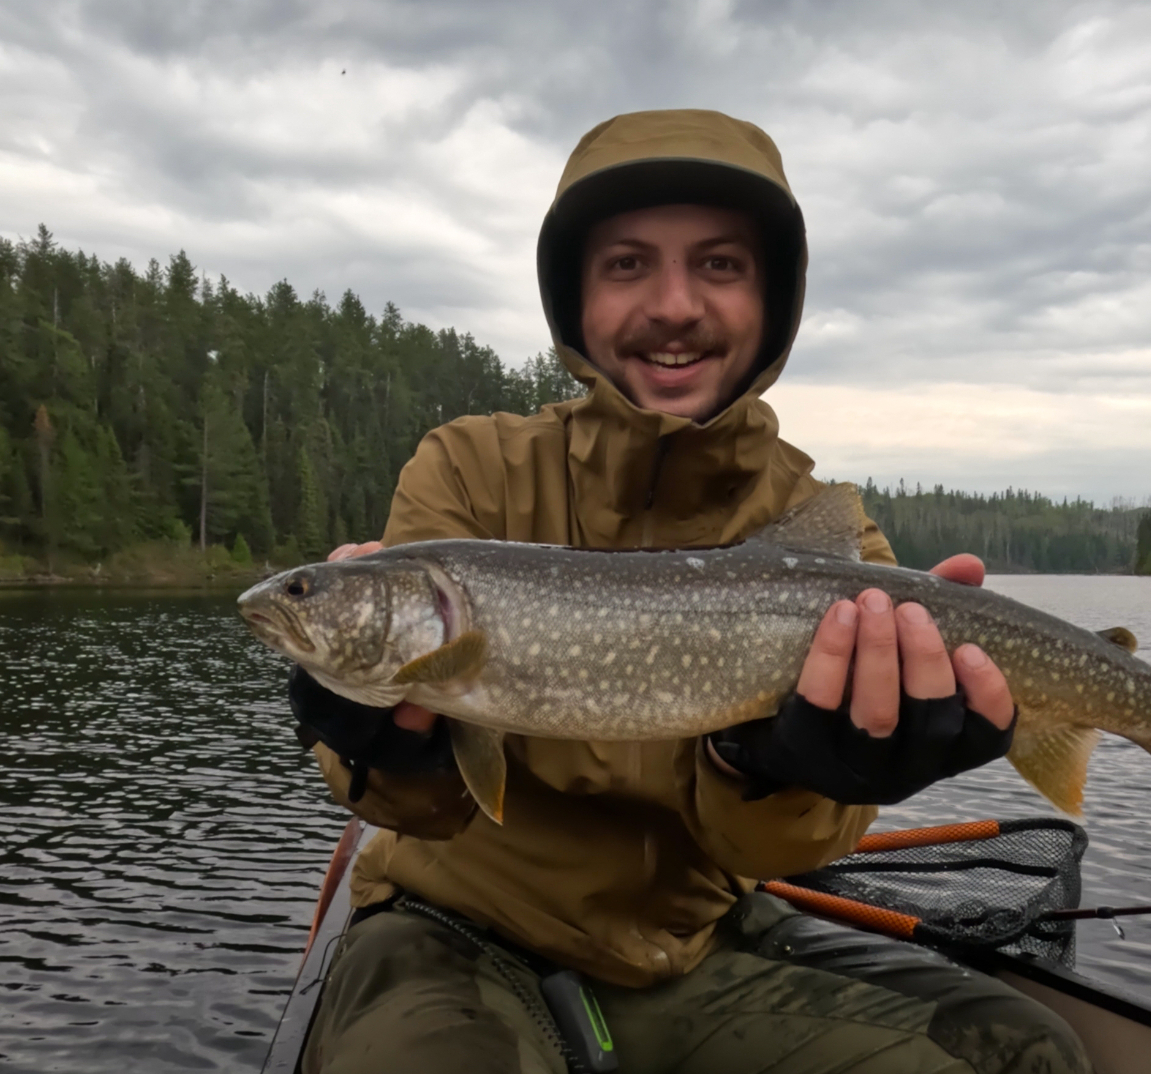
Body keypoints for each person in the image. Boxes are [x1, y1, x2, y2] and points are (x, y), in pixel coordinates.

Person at [289, 109, 1089, 1074]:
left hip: (699, 948)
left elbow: (787, 846)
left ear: (773, 299)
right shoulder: (468, 472)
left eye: (719, 264)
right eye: (627, 264)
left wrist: (788, 767)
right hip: (453, 934)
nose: (673, 306)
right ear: (574, 300)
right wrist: (385, 751)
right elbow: (414, 806)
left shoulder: (827, 526)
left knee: (1024, 1053)